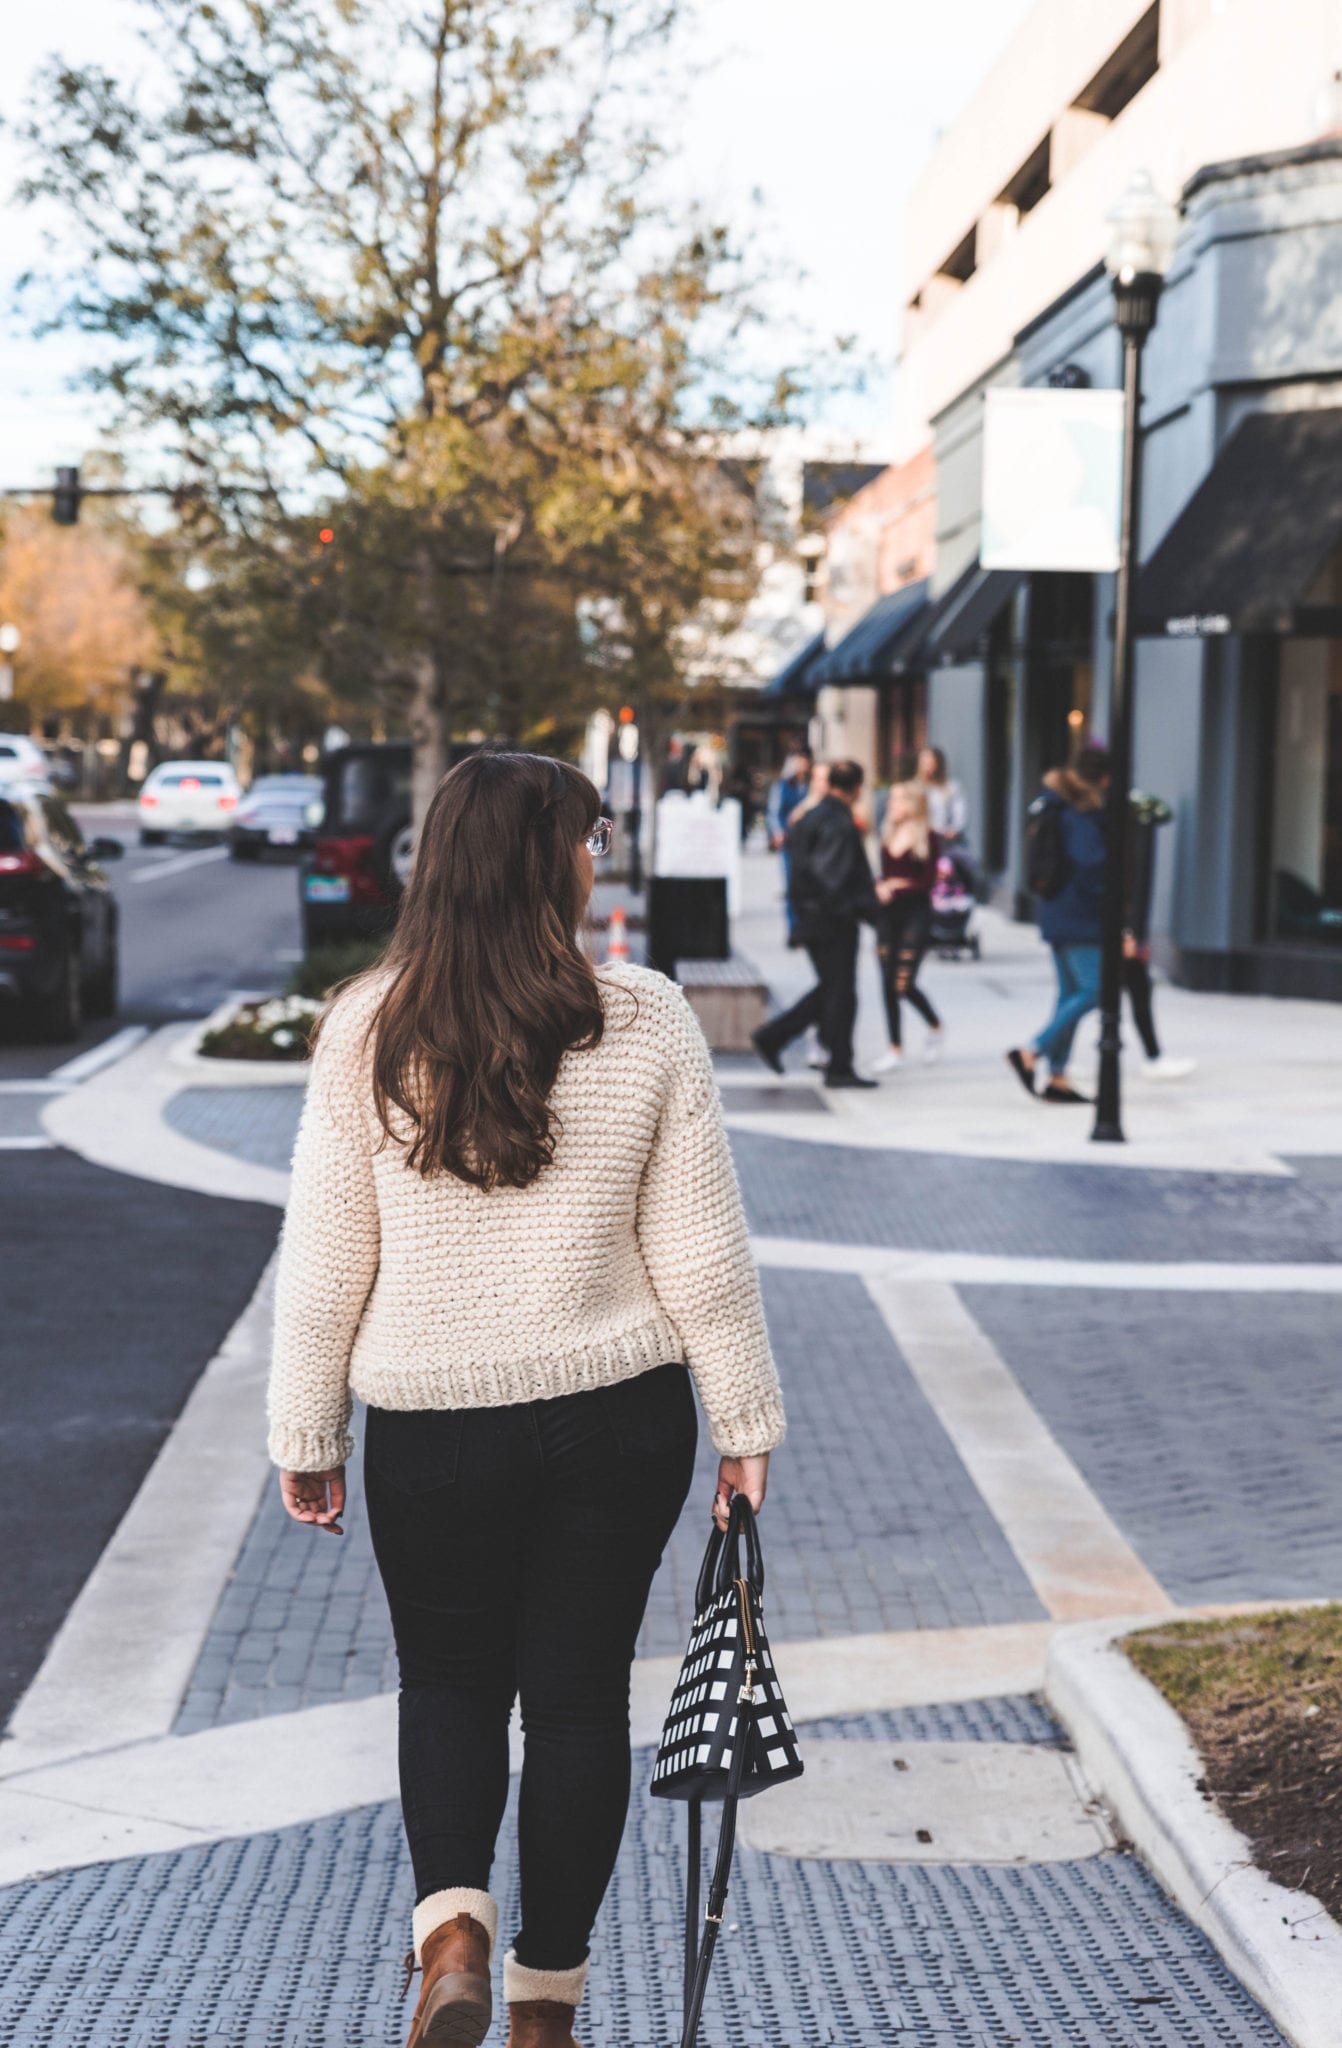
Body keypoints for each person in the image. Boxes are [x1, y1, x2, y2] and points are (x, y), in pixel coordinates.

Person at [268, 751, 785, 2048]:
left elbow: (328, 1260)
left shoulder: (367, 1028)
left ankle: (450, 1931)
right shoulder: (645, 1017)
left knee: (444, 1684)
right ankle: (546, 2006)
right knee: (574, 1701)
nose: (597, 860)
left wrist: (306, 1433)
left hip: (433, 1425)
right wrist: (745, 1423)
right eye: (591, 841)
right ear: (546, 860)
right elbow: (702, 1255)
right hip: (618, 1416)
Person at [751, 757, 879, 1089]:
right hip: (830, 921)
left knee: (834, 991)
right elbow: (830, 877)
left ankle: (785, 1042)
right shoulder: (836, 823)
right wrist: (861, 909)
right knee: (840, 994)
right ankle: (832, 1064)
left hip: (814, 918)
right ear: (856, 789)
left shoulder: (811, 818)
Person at [1007, 741, 1109, 1105]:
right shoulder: (1080, 810)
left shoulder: (1053, 801)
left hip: (1055, 910)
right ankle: (1031, 1051)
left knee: (1069, 994)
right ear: (1104, 779)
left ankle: (1057, 1077)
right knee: (1096, 990)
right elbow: (1090, 865)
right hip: (1080, 914)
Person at [872, 781, 944, 1073]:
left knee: (903, 982)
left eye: (899, 800)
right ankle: (894, 1048)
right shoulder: (887, 834)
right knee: (887, 984)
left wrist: (896, 887)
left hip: (916, 915)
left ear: (914, 803)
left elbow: (927, 882)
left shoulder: (930, 837)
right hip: (888, 916)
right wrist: (880, 886)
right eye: (892, 799)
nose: (893, 805)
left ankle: (935, 1025)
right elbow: (884, 876)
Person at [766, 748, 813, 940]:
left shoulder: (810, 786)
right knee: (791, 884)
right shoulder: (783, 786)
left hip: (810, 841)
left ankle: (806, 926)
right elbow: (774, 811)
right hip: (790, 841)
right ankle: (794, 929)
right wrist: (777, 832)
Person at [917, 746, 969, 845]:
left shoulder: (952, 787)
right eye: (923, 762)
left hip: (946, 841)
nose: (926, 766)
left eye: (929, 762)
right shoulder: (916, 788)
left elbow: (960, 816)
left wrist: (953, 831)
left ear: (938, 764)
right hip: (922, 842)